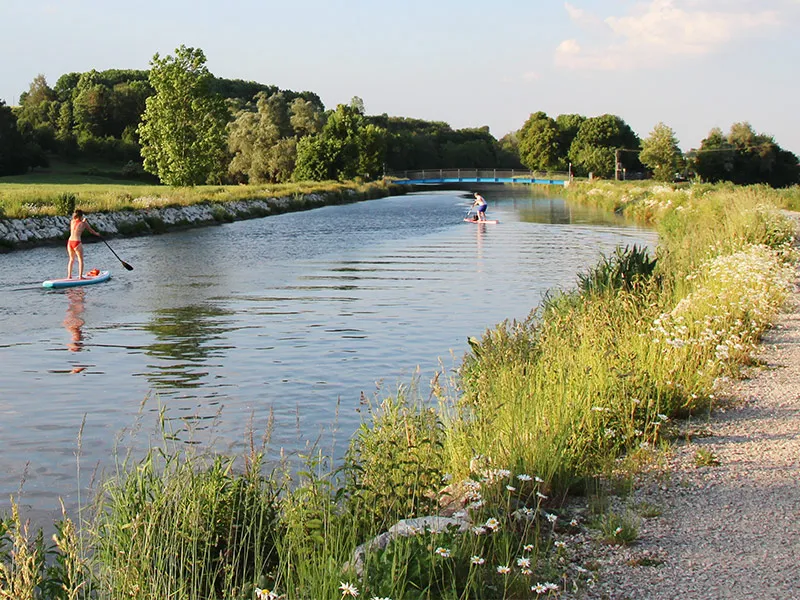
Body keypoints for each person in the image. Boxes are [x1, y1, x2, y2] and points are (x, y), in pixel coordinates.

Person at [66, 209, 100, 279]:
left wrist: (83, 221)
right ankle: (80, 276)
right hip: (77, 242)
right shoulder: (84, 223)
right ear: (81, 215)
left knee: (71, 259)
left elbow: (77, 222)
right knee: (80, 260)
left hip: (70, 242)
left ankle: (69, 276)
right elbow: (91, 231)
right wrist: (97, 234)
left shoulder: (72, 221)